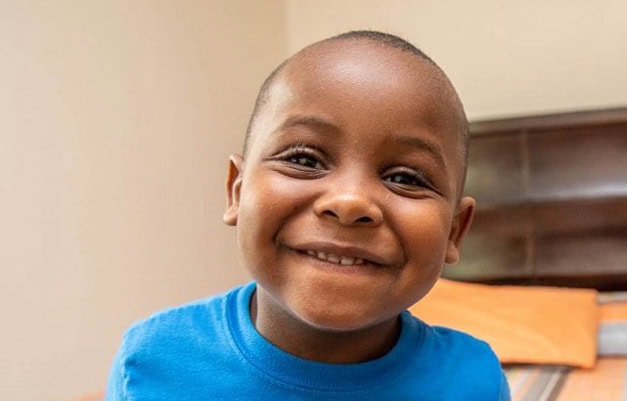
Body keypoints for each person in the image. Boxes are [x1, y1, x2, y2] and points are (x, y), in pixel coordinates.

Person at [106, 30, 510, 400]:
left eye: (404, 177)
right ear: (238, 190)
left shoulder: (473, 380)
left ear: (454, 232)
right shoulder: (151, 361)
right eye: (303, 158)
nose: (350, 201)